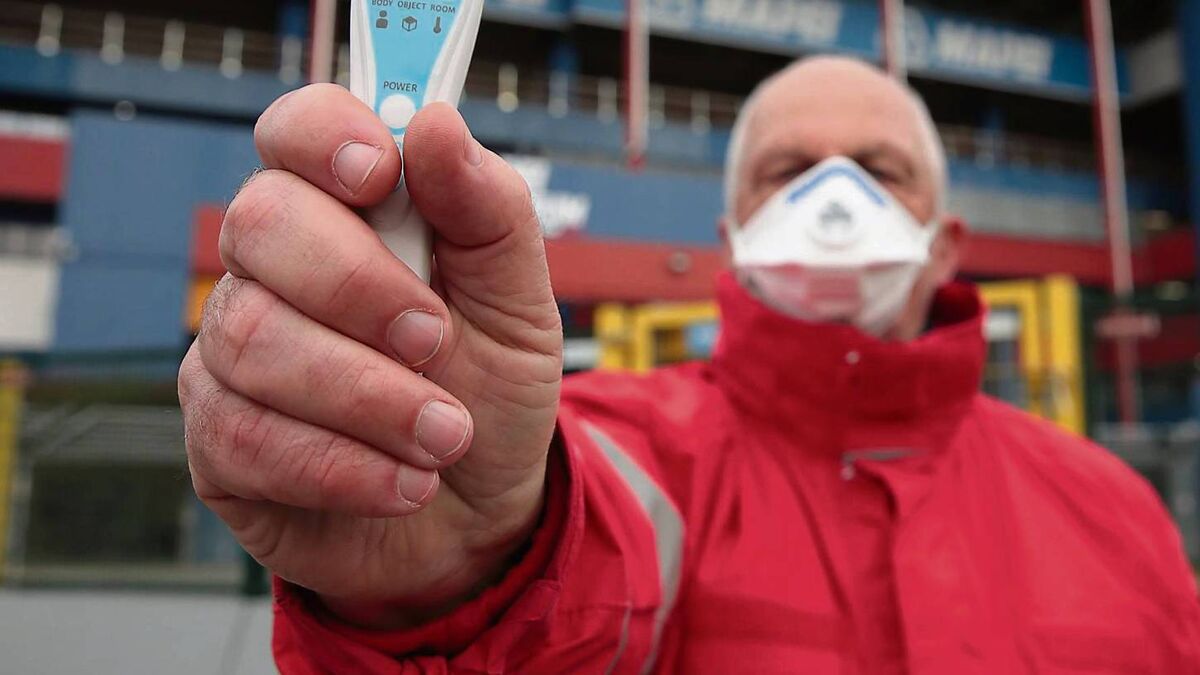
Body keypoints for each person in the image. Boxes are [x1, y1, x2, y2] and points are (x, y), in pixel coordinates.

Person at [178, 56, 1200, 673]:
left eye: (877, 172)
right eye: (789, 172)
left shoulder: (1116, 514)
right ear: (733, 236)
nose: (833, 200)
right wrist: (463, 576)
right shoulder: (611, 454)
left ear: (944, 243)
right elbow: (577, 563)